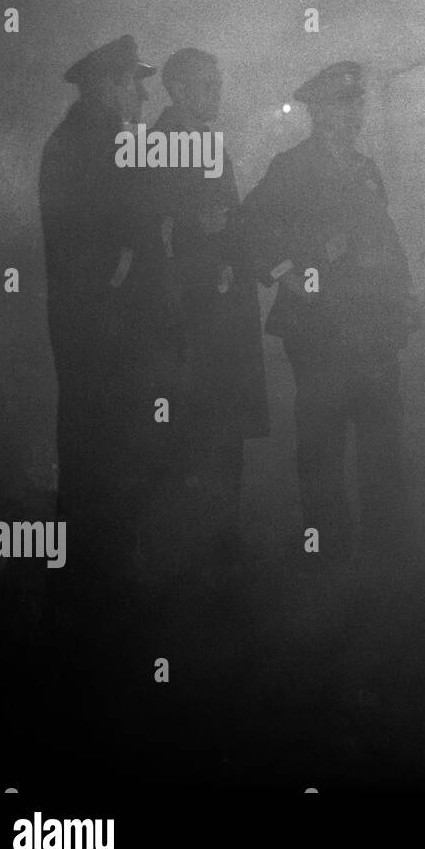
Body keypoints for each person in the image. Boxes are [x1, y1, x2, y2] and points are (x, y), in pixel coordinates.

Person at [242, 61, 419, 575]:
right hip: (320, 329)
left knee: (382, 436)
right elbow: (251, 228)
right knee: (321, 440)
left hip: (373, 325)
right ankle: (328, 551)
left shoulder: (364, 168)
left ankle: (390, 550)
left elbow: (384, 238)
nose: (355, 112)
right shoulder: (291, 167)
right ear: (317, 112)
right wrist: (288, 271)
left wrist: (404, 292)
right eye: (344, 103)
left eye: (357, 102)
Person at [134, 48, 269, 590]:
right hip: (188, 316)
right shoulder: (156, 146)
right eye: (206, 85)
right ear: (179, 91)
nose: (217, 93)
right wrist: (198, 231)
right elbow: (150, 232)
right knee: (190, 424)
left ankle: (221, 535)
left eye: (218, 83)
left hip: (223, 310)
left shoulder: (209, 142)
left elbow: (226, 217)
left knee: (224, 423)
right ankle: (186, 544)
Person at [38, 34, 168, 595]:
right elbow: (89, 236)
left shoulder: (94, 138)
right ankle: (99, 570)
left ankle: (100, 562)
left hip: (106, 318)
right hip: (104, 322)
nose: (140, 94)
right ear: (109, 83)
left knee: (104, 438)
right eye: (133, 82)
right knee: (103, 438)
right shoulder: (86, 142)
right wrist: (116, 279)